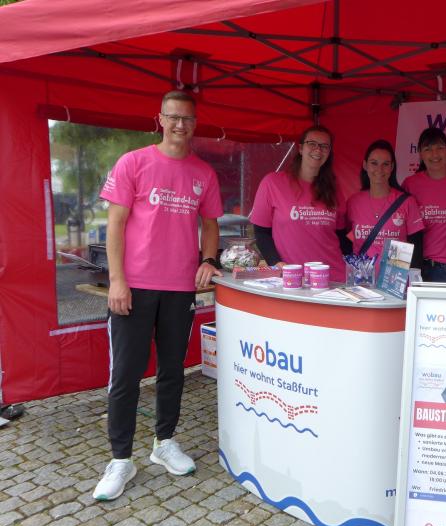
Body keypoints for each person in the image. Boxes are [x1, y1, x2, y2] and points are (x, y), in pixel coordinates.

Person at [94, 90, 222, 500]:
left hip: (180, 288)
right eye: (173, 117)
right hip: (133, 288)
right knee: (125, 376)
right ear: (160, 120)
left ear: (195, 124)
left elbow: (210, 224)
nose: (180, 125)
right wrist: (117, 280)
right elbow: (115, 225)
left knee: (172, 371)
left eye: (188, 118)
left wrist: (208, 259)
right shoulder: (133, 162)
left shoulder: (204, 173)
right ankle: (120, 460)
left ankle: (164, 442)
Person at [250, 125, 348, 282]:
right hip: (293, 279)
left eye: (324, 146)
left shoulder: (334, 188)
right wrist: (275, 263)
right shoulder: (273, 183)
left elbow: (341, 236)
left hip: (334, 279)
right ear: (301, 148)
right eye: (312, 143)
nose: (318, 150)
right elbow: (261, 233)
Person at [402, 127, 446, 282]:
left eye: (439, 148)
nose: (434, 154)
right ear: (420, 154)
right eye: (428, 149)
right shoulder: (410, 184)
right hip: (415, 265)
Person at [346, 140, 424, 268]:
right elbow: (348, 238)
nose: (379, 169)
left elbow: (416, 246)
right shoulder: (353, 202)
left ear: (392, 167)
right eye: (374, 163)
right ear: (365, 165)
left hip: (394, 278)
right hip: (361, 278)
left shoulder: (407, 202)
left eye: (385, 164)